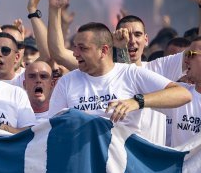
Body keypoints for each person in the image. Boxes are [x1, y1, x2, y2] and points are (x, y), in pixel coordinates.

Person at [48, 21, 191, 134]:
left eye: (83, 48)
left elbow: (183, 94)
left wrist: (137, 101)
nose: (75, 53)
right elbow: (53, 127)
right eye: (75, 47)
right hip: (84, 166)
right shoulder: (67, 81)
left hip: (122, 167)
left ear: (103, 50)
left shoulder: (131, 73)